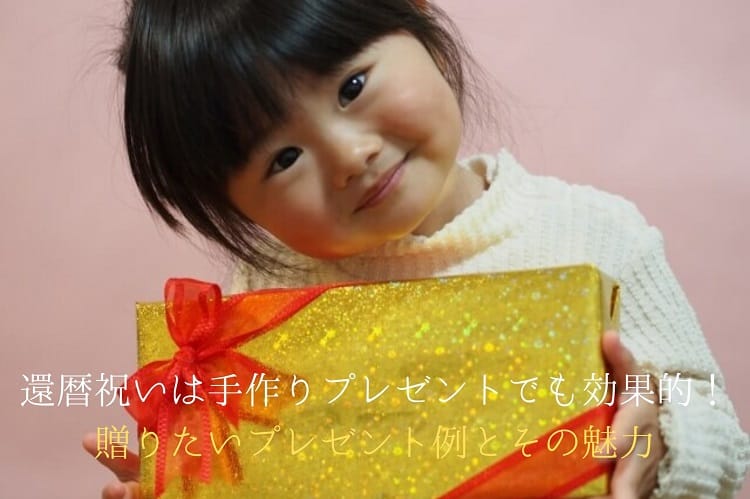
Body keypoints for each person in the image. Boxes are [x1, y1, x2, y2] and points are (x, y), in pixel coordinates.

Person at [84, 0, 749, 497]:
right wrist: (187, 479)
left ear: (419, 14)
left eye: (351, 86)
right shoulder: (258, 305)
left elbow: (720, 430)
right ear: (235, 208)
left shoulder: (594, 233)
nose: (350, 156)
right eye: (283, 157)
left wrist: (660, 438)